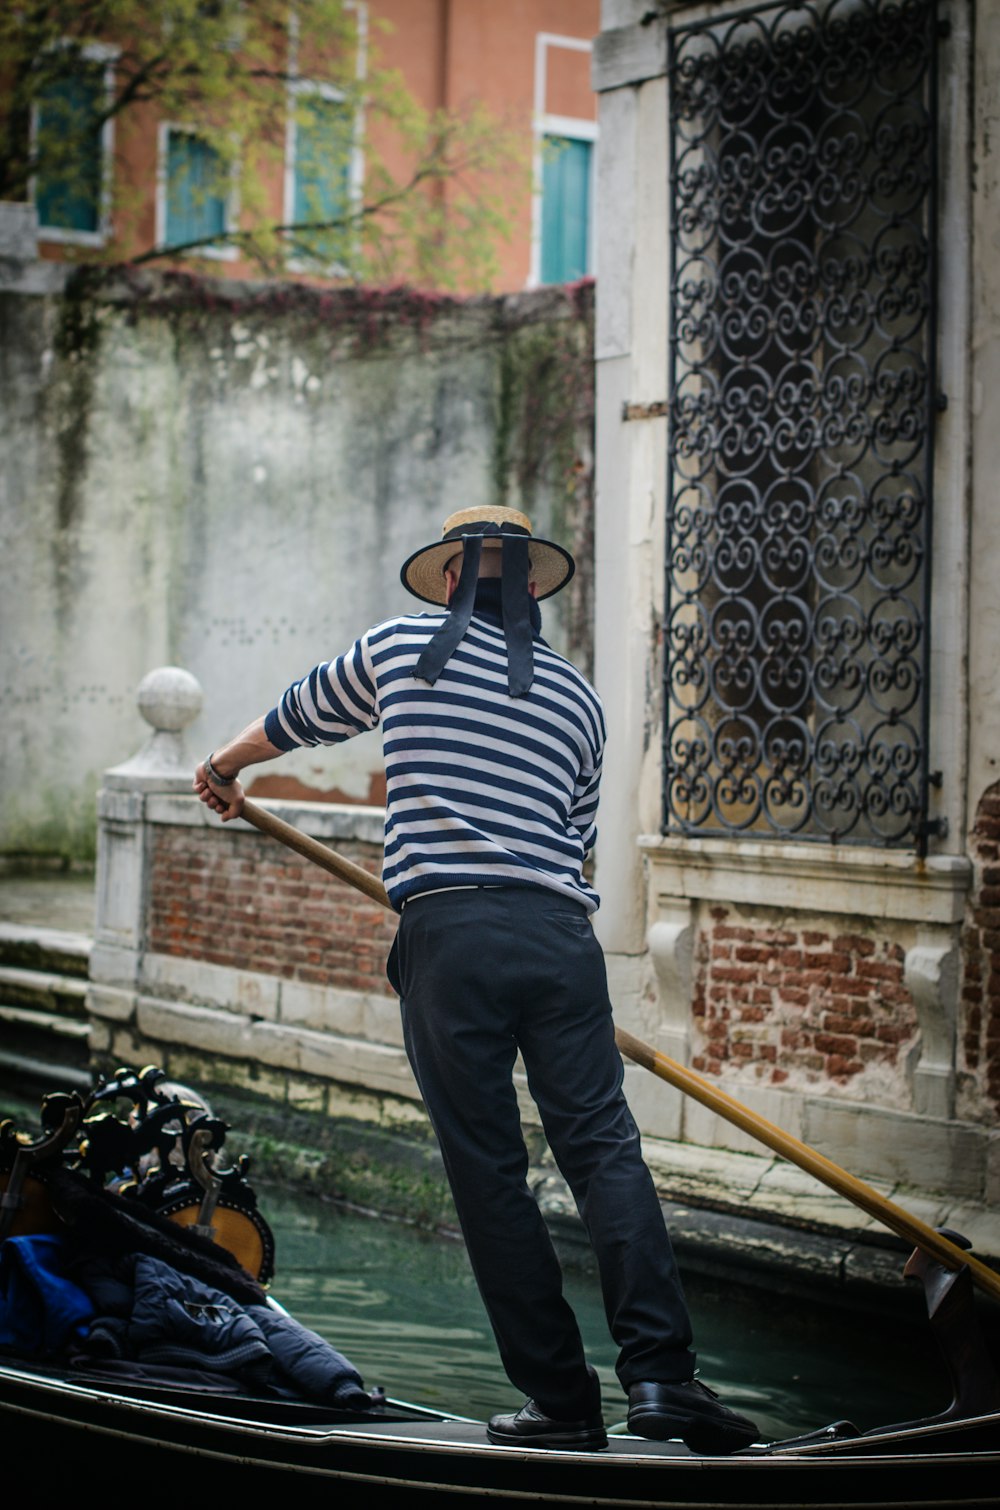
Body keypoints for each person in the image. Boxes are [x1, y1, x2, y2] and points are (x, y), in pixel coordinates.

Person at [193, 505, 759, 1454]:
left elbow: (296, 715)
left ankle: (563, 1402)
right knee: (604, 1151)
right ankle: (664, 1382)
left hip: (451, 937)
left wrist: (222, 766)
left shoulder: (402, 647)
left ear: (453, 578)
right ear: (530, 585)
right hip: (557, 936)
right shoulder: (580, 699)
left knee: (490, 1174)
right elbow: (574, 843)